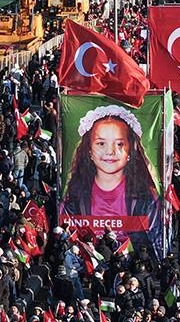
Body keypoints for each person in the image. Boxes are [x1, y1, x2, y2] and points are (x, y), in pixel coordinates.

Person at [59, 105, 162, 257]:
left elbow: (156, 242)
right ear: (89, 150)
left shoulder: (146, 198)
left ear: (130, 150)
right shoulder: (73, 196)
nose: (110, 151)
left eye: (119, 144)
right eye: (101, 143)